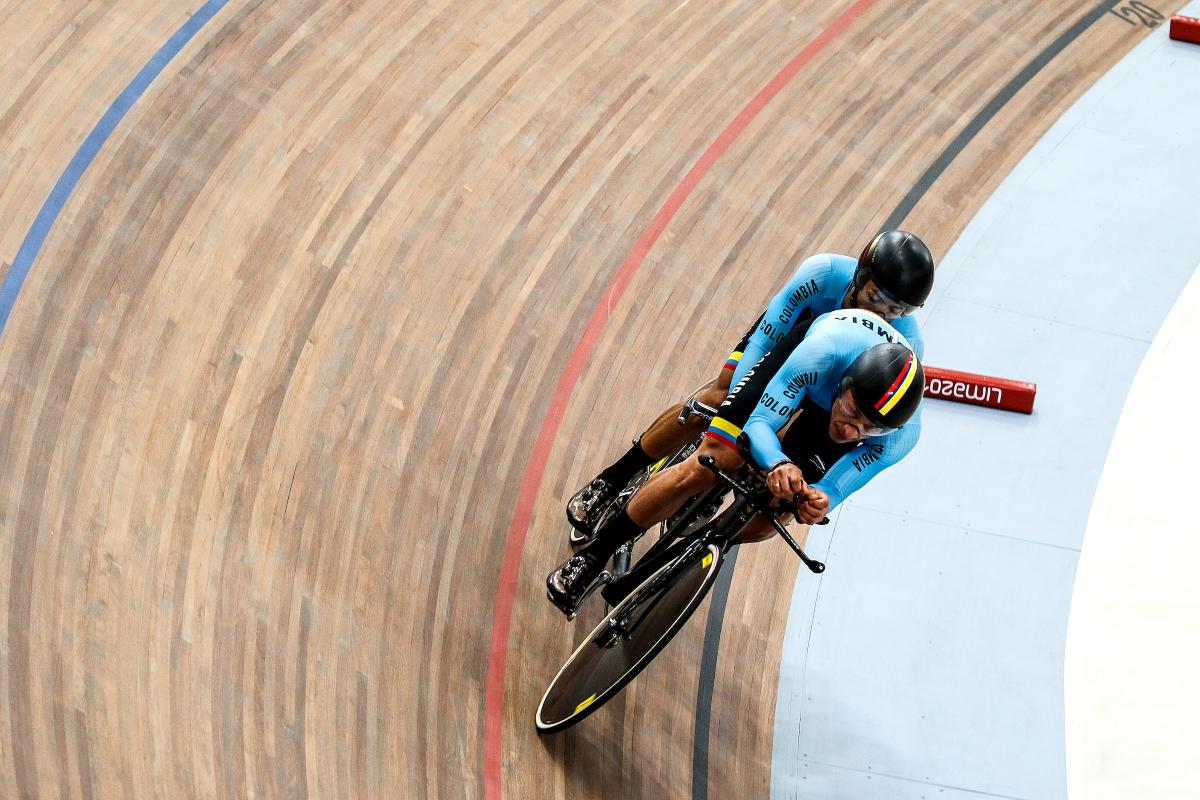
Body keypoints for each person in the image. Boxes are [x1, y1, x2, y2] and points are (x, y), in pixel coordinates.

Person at [547, 307, 925, 616]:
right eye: (851, 411)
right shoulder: (823, 352)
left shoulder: (899, 436)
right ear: (846, 385)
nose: (850, 431)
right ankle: (595, 556)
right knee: (711, 462)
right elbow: (760, 423)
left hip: (836, 409)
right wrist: (778, 463)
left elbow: (836, 487)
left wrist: (818, 498)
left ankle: (693, 552)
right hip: (804, 378)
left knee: (773, 518)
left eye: (867, 429)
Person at [565, 230, 933, 544]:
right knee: (724, 393)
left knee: (788, 493)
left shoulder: (906, 344)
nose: (885, 314)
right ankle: (614, 478)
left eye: (899, 310)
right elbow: (765, 339)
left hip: (837, 386)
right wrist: (736, 405)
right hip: (789, 338)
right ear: (859, 273)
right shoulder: (823, 274)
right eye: (877, 298)